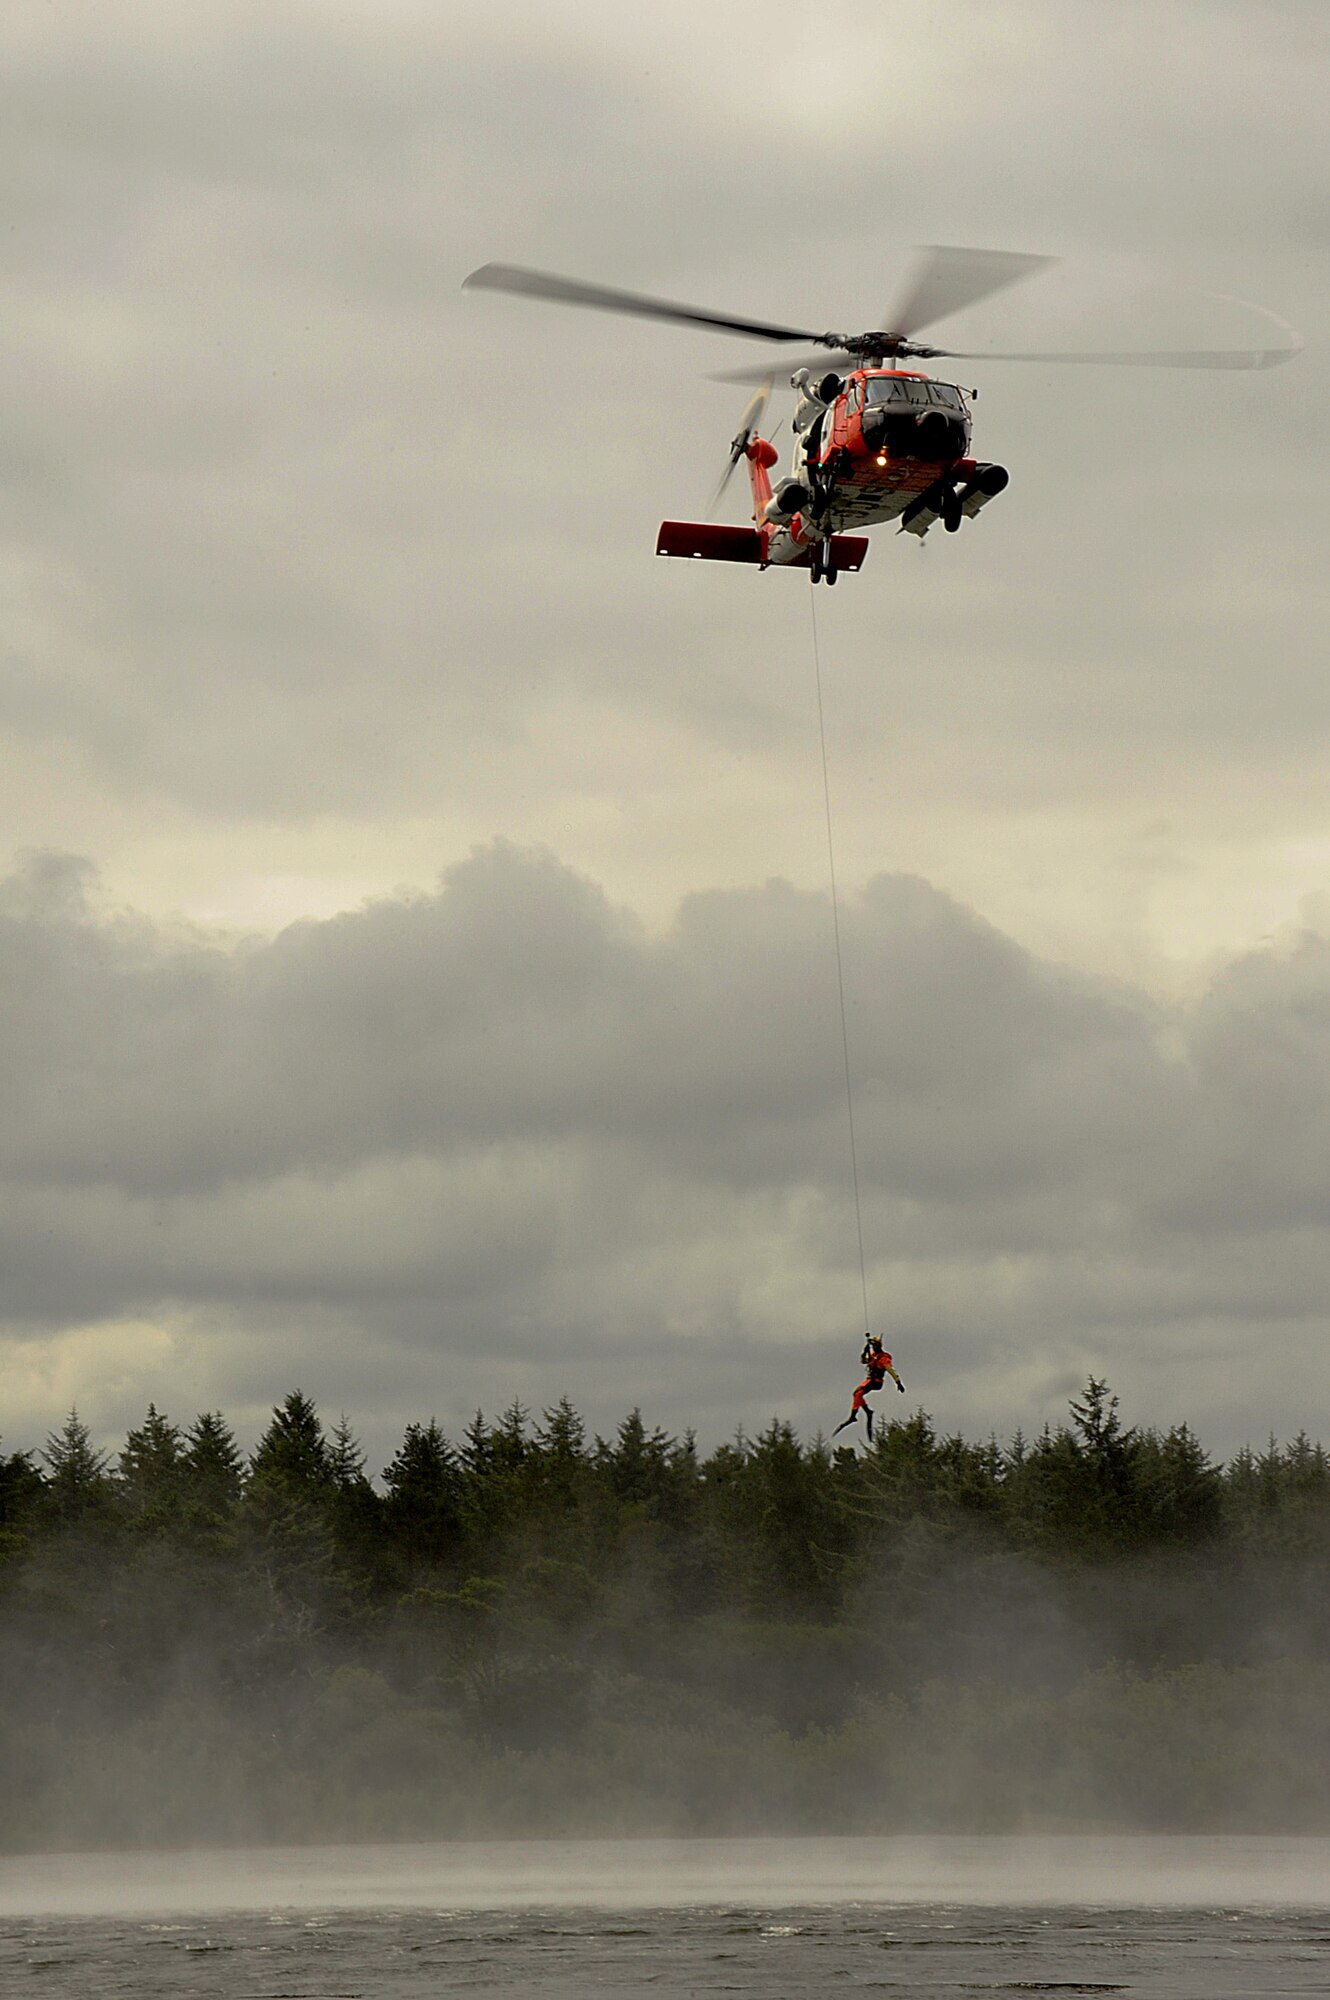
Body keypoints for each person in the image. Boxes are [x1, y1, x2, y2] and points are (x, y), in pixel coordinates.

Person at [832, 1335, 904, 1442]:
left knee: (857, 1392)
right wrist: (865, 1351)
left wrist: (898, 1382)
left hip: (876, 1382)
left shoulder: (883, 1358)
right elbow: (864, 1361)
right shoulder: (874, 1356)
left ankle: (855, 1415)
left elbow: (889, 1370)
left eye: (874, 1346)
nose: (873, 1348)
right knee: (857, 1394)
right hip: (870, 1380)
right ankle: (865, 1411)